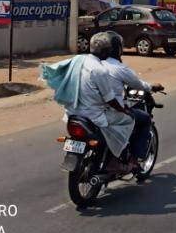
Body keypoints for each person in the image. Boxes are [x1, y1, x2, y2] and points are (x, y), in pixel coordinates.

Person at [56, 36, 135, 174]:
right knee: (129, 120)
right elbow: (110, 99)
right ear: (105, 52)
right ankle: (114, 159)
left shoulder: (76, 61)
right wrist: (123, 110)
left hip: (72, 113)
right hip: (93, 116)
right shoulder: (99, 70)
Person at [97, 31, 165, 172]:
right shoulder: (119, 68)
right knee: (144, 118)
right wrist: (153, 86)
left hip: (88, 111)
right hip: (110, 111)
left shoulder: (92, 65)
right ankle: (134, 159)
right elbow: (138, 84)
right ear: (117, 49)